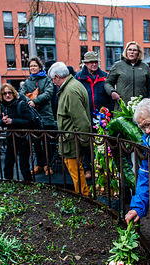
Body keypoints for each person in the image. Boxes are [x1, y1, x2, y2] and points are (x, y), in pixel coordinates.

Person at [48, 62, 92, 196]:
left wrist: (84, 142)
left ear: (57, 76)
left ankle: (84, 197)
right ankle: (83, 194)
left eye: (52, 80)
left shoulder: (70, 90)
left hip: (72, 140)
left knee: (75, 171)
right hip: (71, 139)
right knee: (75, 170)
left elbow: (81, 120)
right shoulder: (72, 86)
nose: (53, 83)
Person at [124, 99, 150, 223]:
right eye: (143, 128)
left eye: (148, 124)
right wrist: (138, 207)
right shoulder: (149, 141)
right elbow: (147, 175)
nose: (147, 131)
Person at [75, 51, 112, 178]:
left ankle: (103, 168)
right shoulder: (78, 77)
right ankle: (88, 168)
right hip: (86, 115)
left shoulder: (105, 76)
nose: (94, 64)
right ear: (85, 64)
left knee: (102, 142)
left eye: (96, 62)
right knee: (86, 142)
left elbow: (110, 96)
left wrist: (109, 113)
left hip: (102, 115)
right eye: (91, 62)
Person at [19, 56, 56, 175]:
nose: (33, 68)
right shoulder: (27, 82)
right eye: (31, 66)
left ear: (40, 67)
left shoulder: (47, 80)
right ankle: (39, 164)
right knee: (36, 143)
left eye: (35, 65)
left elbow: (48, 93)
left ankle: (48, 165)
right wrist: (29, 101)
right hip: (33, 117)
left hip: (46, 116)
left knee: (47, 143)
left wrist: (35, 101)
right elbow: (21, 94)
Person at [0, 83, 34, 181]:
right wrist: (3, 121)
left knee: (24, 165)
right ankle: (8, 185)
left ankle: (29, 186)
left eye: (9, 92)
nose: (7, 95)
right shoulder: (4, 105)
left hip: (23, 137)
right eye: (5, 93)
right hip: (10, 137)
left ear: (13, 93)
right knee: (8, 163)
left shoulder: (21, 104)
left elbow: (31, 121)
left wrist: (13, 121)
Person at [104, 41, 150, 111]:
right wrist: (112, 92)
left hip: (140, 109)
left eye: (134, 50)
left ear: (138, 52)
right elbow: (107, 83)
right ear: (126, 51)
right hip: (122, 108)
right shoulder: (118, 66)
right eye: (129, 50)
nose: (132, 52)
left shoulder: (145, 67)